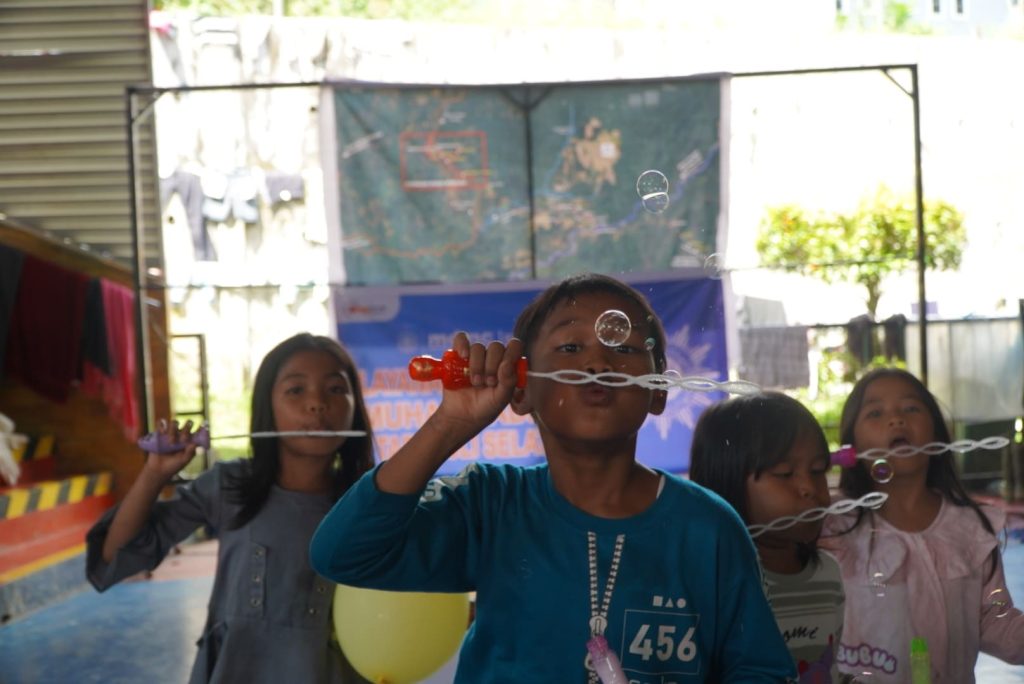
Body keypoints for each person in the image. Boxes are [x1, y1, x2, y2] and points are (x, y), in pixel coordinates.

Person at [310, 273, 796, 683]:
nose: (597, 363)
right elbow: (342, 553)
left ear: (658, 391)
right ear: (520, 390)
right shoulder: (489, 505)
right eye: (569, 346)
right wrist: (449, 425)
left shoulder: (709, 529)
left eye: (622, 348)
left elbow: (762, 671)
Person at [86, 333, 375, 683]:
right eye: (296, 390)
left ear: (354, 408)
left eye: (335, 389)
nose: (316, 403)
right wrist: (153, 475)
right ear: (267, 408)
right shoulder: (229, 485)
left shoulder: (369, 504)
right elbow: (116, 554)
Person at [822, 367, 1024, 683]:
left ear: (935, 432)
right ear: (852, 448)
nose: (896, 419)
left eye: (911, 408)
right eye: (875, 412)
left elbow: (993, 619)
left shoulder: (969, 528)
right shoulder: (833, 526)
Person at [689, 392, 846, 684]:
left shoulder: (828, 574)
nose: (808, 488)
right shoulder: (714, 584)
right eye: (785, 473)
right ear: (726, 480)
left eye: (817, 470)